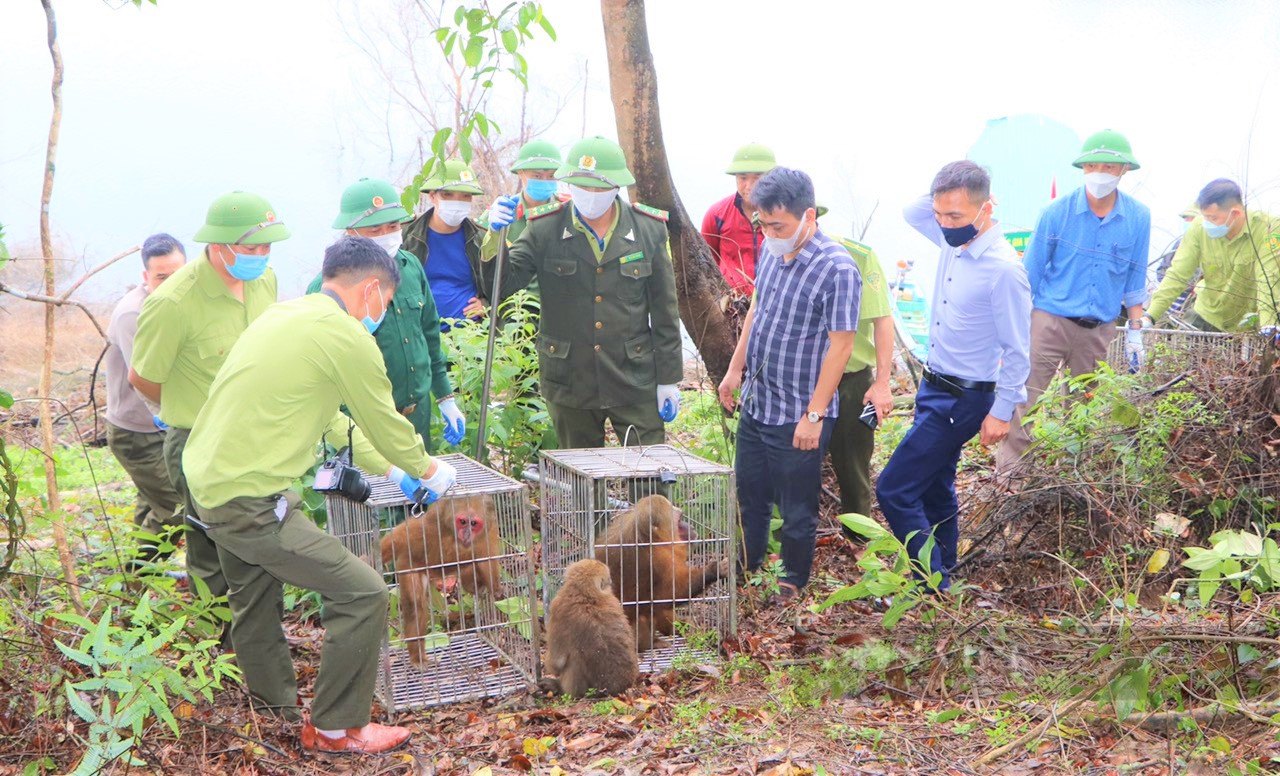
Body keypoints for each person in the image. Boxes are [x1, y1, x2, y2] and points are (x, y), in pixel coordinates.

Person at [184, 235, 457, 754]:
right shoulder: (346, 336)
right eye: (386, 302)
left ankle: (274, 714)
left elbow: (334, 415)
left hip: (209, 485)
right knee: (363, 592)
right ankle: (335, 728)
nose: (381, 313)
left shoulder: (285, 316)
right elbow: (382, 418)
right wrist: (427, 469)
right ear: (372, 290)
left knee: (254, 597)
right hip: (249, 502)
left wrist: (394, 473)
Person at [130, 191, 290, 606]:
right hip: (200, 442)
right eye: (250, 247)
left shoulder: (263, 280)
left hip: (255, 437)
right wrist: (187, 410)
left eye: (266, 247)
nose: (260, 255)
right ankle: (212, 649)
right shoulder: (173, 302)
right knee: (210, 557)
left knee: (260, 548)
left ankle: (252, 638)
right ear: (217, 245)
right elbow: (143, 377)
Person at [878, 161, 1031, 592]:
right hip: (933, 386)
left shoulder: (1003, 269)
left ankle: (931, 581)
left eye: (956, 216)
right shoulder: (952, 242)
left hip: (964, 398)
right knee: (934, 486)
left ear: (986, 209)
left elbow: (1018, 351)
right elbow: (913, 212)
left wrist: (1002, 413)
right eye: (941, 214)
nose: (944, 224)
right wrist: (945, 194)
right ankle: (943, 577)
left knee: (893, 488)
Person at [717, 168, 861, 604]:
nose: (769, 233)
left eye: (779, 225)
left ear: (808, 216)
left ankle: (792, 580)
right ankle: (748, 566)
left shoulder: (837, 269)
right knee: (750, 495)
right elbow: (759, 309)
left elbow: (841, 347)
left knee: (797, 509)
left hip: (799, 411)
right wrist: (734, 368)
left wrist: (814, 415)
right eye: (763, 224)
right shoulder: (772, 250)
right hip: (759, 402)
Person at [485, 135, 684, 448]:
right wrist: (493, 238)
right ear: (569, 184)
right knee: (580, 480)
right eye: (582, 185)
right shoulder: (544, 228)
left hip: (633, 377)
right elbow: (502, 284)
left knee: (649, 476)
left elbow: (664, 310)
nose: (591, 195)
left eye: (600, 187)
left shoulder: (648, 228)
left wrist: (669, 378)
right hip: (570, 379)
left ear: (617, 186)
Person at [995, 130, 1150, 478]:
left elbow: (1135, 281)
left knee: (1083, 409)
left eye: (1108, 166)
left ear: (1123, 170)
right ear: (1082, 168)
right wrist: (1013, 332)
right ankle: (1010, 482)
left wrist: (1136, 330)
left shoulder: (1138, 218)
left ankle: (1069, 481)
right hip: (1049, 321)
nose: (1100, 173)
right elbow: (1028, 276)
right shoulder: (1056, 213)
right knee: (1025, 400)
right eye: (1092, 165)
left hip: (1098, 329)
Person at [306, 177, 464, 452]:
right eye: (375, 229)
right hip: (361, 427)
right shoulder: (328, 287)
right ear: (351, 232)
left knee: (419, 489)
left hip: (415, 418)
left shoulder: (410, 266)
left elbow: (429, 335)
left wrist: (445, 397)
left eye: (393, 226)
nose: (387, 234)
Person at [104, 233, 187, 564]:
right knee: (180, 508)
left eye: (178, 275)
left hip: (166, 428)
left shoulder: (185, 302)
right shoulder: (133, 315)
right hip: (138, 433)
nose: (170, 284)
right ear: (145, 278)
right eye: (161, 277)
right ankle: (139, 579)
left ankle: (133, 600)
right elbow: (145, 381)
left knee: (152, 507)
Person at [819, 215, 895, 534]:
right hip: (803, 382)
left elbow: (882, 320)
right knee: (793, 467)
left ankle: (859, 540)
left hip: (852, 382)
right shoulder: (781, 254)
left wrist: (881, 383)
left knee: (854, 469)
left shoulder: (858, 255)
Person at [1145, 179, 1280, 336]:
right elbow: (1177, 274)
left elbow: (1268, 279)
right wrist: (1150, 316)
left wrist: (1269, 324)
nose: (1207, 223)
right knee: (1184, 354)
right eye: (1205, 217)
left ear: (1235, 213)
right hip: (1207, 314)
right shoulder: (1199, 227)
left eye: (1213, 218)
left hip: (1250, 322)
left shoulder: (1268, 228)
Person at [401, 159, 493, 329]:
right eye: (448, 194)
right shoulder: (407, 234)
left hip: (470, 338)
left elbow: (502, 283)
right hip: (419, 334)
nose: (456, 202)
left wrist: (486, 304)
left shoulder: (481, 237)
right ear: (432, 196)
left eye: (465, 196)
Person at [701, 143, 776, 295]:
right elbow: (708, 261)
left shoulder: (783, 216)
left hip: (774, 301)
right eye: (743, 178)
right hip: (731, 304)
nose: (749, 186)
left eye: (757, 178)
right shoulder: (717, 214)